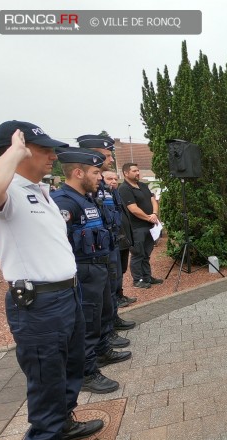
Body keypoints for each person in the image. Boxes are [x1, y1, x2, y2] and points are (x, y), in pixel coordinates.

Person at [0, 121, 103, 440]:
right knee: (46, 374)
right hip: (38, 304)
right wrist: (15, 151)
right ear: (15, 151)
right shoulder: (7, 192)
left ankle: (63, 422)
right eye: (44, 149)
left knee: (69, 366)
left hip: (66, 294)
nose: (54, 156)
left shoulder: (39, 190)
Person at [52, 147, 132, 394]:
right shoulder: (64, 202)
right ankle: (87, 373)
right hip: (83, 269)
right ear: (78, 172)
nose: (101, 177)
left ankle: (101, 351)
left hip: (98, 265)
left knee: (99, 314)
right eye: (96, 172)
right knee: (87, 321)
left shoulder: (86, 198)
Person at [77, 135, 135, 341]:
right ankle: (104, 335)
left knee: (113, 286)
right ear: (92, 155)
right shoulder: (85, 190)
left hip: (111, 243)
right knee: (100, 294)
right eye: (107, 155)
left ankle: (111, 324)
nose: (111, 160)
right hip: (94, 251)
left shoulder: (104, 188)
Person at [118, 162, 162, 288]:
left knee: (146, 253)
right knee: (137, 254)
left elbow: (153, 200)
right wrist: (149, 218)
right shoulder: (124, 189)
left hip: (149, 226)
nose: (138, 173)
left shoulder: (143, 185)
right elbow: (133, 209)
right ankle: (138, 280)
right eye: (134, 171)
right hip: (136, 228)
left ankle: (147, 277)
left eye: (138, 170)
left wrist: (154, 213)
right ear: (126, 173)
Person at [103, 170, 136, 308]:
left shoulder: (116, 194)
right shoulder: (101, 197)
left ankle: (120, 294)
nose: (114, 181)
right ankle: (116, 298)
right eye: (109, 178)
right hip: (112, 241)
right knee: (114, 271)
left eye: (116, 179)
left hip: (123, 239)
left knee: (121, 269)